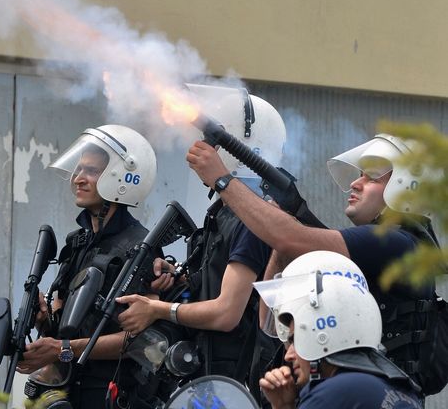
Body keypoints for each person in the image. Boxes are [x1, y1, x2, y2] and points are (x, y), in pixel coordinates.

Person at [186, 125, 440, 394]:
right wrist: (285, 242)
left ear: (405, 187)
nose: (355, 183)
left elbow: (289, 236)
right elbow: (272, 322)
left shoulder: (395, 242)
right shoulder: (389, 245)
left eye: (372, 178)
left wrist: (222, 180)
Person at [117, 86, 283, 395]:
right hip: (209, 379)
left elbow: (226, 314)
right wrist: (176, 281)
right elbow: (209, 290)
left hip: (235, 385)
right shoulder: (222, 215)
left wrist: (158, 310)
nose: (198, 147)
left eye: (212, 141)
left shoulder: (252, 219)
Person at [17, 124, 157, 408]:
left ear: (122, 178)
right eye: (78, 169)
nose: (78, 179)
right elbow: (62, 329)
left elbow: (143, 342)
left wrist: (61, 350)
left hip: (110, 394)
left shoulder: (141, 248)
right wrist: (45, 320)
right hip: (67, 390)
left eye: (91, 171)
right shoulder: (77, 242)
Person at [255, 265, 422, 408]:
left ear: (322, 336)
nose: (288, 355)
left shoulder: (334, 391)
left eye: (295, 340)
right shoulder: (402, 389)